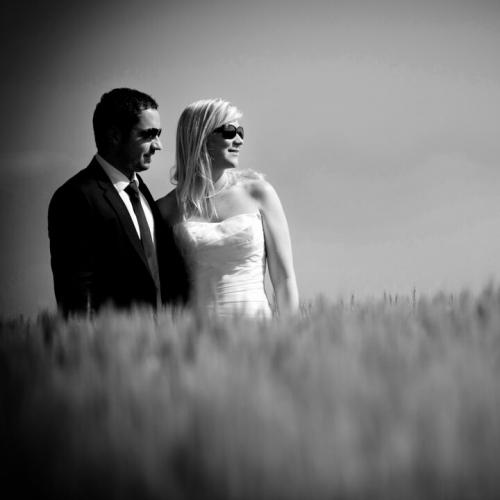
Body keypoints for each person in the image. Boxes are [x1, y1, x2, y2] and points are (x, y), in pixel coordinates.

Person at [48, 88, 189, 316]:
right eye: (148, 135)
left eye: (158, 134)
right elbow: (75, 295)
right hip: (112, 343)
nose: (158, 145)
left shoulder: (142, 190)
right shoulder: (75, 197)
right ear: (114, 136)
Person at [157, 98, 299, 318]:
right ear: (202, 136)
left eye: (241, 132)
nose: (239, 139)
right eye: (230, 131)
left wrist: (290, 336)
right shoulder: (166, 209)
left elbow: (284, 279)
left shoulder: (259, 193)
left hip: (257, 329)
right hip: (197, 335)